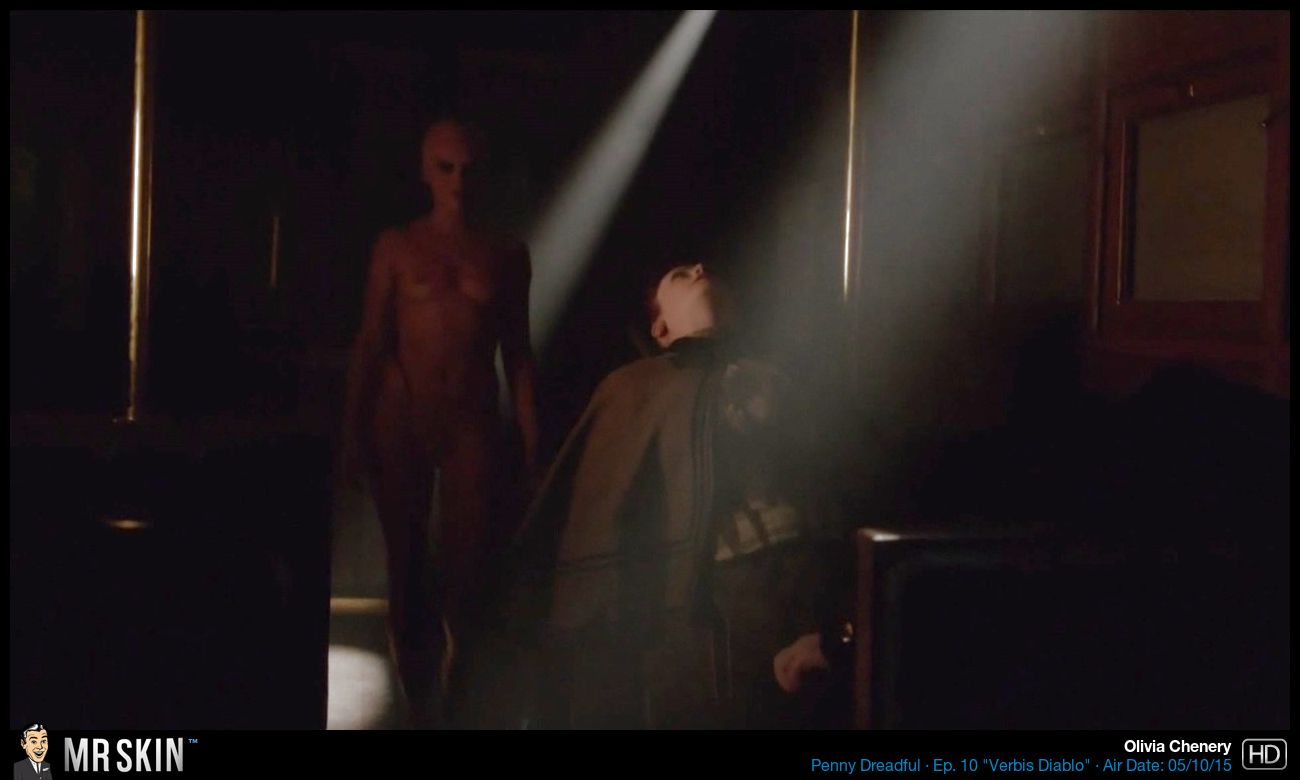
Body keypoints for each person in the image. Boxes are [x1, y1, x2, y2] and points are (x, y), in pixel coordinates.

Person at [507, 262, 843, 728]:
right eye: (681, 275)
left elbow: (830, 482)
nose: (701, 269)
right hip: (697, 597)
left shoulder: (779, 380)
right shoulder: (631, 389)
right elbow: (595, 508)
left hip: (790, 580)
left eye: (706, 270)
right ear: (660, 327)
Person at [342, 118, 539, 725]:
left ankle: (455, 693)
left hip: (469, 421)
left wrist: (534, 442)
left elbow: (519, 354)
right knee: (405, 565)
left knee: (467, 569)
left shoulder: (505, 253)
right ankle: (416, 703)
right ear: (425, 172)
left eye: (468, 169)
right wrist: (351, 432)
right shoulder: (397, 246)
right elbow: (371, 340)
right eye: (446, 168)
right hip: (401, 417)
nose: (458, 181)